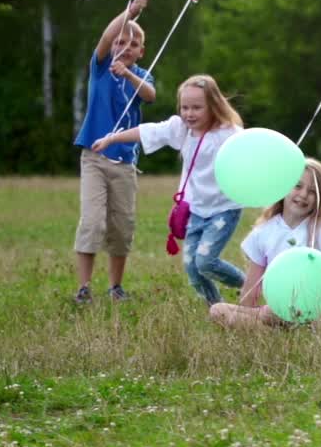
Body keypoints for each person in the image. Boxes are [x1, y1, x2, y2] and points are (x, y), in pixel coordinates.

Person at [94, 75, 245, 304]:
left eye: (197, 108)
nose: (189, 113)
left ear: (213, 105)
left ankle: (252, 284)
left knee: (205, 261)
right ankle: (216, 309)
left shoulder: (229, 134)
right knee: (192, 268)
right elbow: (147, 131)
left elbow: (253, 156)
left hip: (224, 209)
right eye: (185, 107)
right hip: (196, 209)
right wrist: (112, 138)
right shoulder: (181, 129)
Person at [72, 0, 156, 304]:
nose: (125, 47)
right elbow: (108, 34)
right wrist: (131, 12)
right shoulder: (100, 67)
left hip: (124, 163)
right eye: (121, 42)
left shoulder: (142, 74)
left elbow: (150, 96)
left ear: (141, 51)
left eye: (133, 44)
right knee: (92, 223)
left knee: (122, 228)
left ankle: (116, 287)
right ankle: (83, 288)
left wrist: (131, 75)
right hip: (94, 159)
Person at [209, 158, 321, 328]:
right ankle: (271, 333)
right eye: (297, 186)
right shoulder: (263, 233)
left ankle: (308, 326)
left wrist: (318, 312)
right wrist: (247, 314)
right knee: (218, 310)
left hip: (316, 308)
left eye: (312, 191)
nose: (303, 195)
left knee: (272, 314)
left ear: (319, 198)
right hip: (277, 308)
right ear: (283, 188)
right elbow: (250, 290)